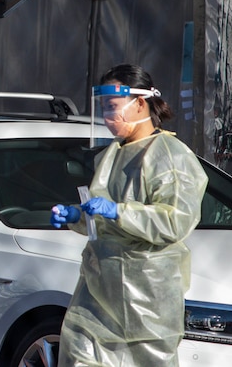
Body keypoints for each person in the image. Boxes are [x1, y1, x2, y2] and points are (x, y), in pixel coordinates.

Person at [50, 64, 208, 366]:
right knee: (79, 353)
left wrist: (118, 211)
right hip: (98, 290)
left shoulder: (170, 155)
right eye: (103, 109)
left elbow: (175, 221)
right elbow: (104, 219)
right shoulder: (113, 153)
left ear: (139, 103)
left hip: (147, 297)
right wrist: (76, 216)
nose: (108, 117)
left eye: (113, 107)